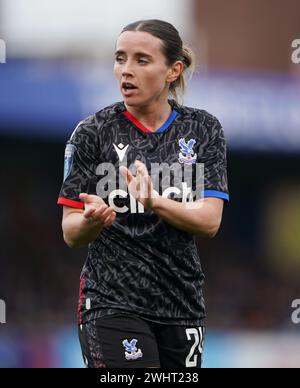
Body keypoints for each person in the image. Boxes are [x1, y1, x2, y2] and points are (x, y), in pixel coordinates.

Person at [57, 19, 229, 368]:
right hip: (111, 303)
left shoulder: (203, 130)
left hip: (182, 305)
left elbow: (209, 221)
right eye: (120, 59)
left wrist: (154, 201)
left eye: (142, 60)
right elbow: (70, 231)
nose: (126, 70)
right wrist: (92, 220)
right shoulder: (93, 132)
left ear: (173, 70)